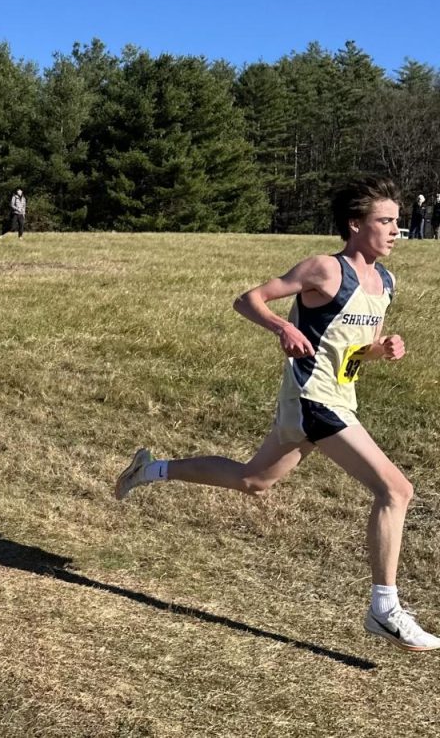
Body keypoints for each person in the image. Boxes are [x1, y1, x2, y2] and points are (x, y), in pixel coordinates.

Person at [114, 176, 439, 652]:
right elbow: (247, 299)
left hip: (335, 399)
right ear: (354, 224)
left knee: (253, 481)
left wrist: (380, 350)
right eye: (384, 221)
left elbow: (350, 350)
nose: (395, 230)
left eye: (396, 221)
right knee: (396, 489)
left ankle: (150, 469)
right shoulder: (324, 269)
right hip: (313, 400)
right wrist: (281, 325)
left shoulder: (385, 282)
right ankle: (383, 608)